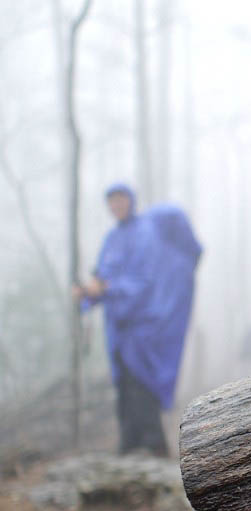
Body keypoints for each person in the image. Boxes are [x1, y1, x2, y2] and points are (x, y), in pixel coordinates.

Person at [75, 183, 202, 456]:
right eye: (111, 201)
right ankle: (129, 444)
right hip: (117, 327)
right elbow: (103, 279)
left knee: (141, 379)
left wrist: (108, 289)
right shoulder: (111, 238)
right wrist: (88, 294)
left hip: (143, 325)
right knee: (122, 382)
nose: (116, 206)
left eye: (121, 200)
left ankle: (153, 445)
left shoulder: (145, 233)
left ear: (130, 201)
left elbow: (145, 280)